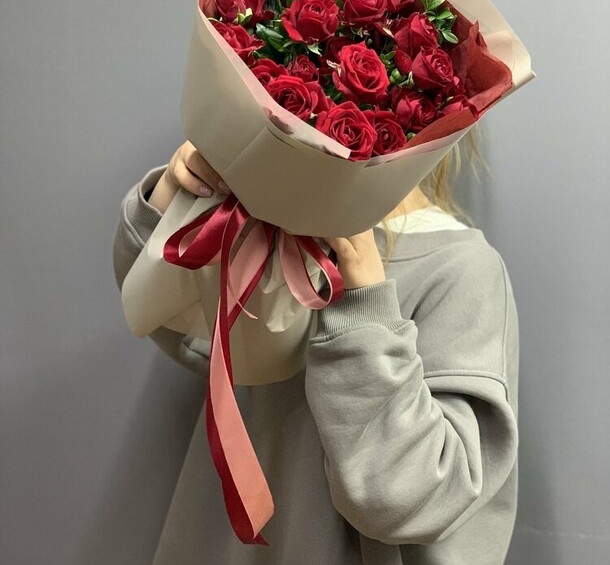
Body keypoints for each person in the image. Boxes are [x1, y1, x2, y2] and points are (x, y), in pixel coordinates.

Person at [113, 134, 519, 565]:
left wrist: (364, 304)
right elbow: (180, 327)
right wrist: (175, 203)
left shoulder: (462, 269)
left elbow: (407, 499)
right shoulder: (274, 224)